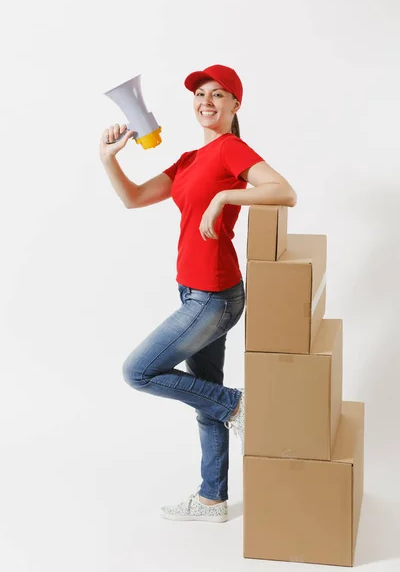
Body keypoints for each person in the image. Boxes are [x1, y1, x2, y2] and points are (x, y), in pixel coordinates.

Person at [99, 64, 297, 523]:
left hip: (214, 294)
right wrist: (110, 159)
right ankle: (212, 499)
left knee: (139, 372)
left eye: (219, 94)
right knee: (202, 394)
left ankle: (239, 405)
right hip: (193, 291)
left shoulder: (232, 149)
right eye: (200, 94)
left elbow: (284, 191)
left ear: (235, 105)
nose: (207, 100)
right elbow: (133, 198)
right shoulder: (188, 159)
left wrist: (225, 198)